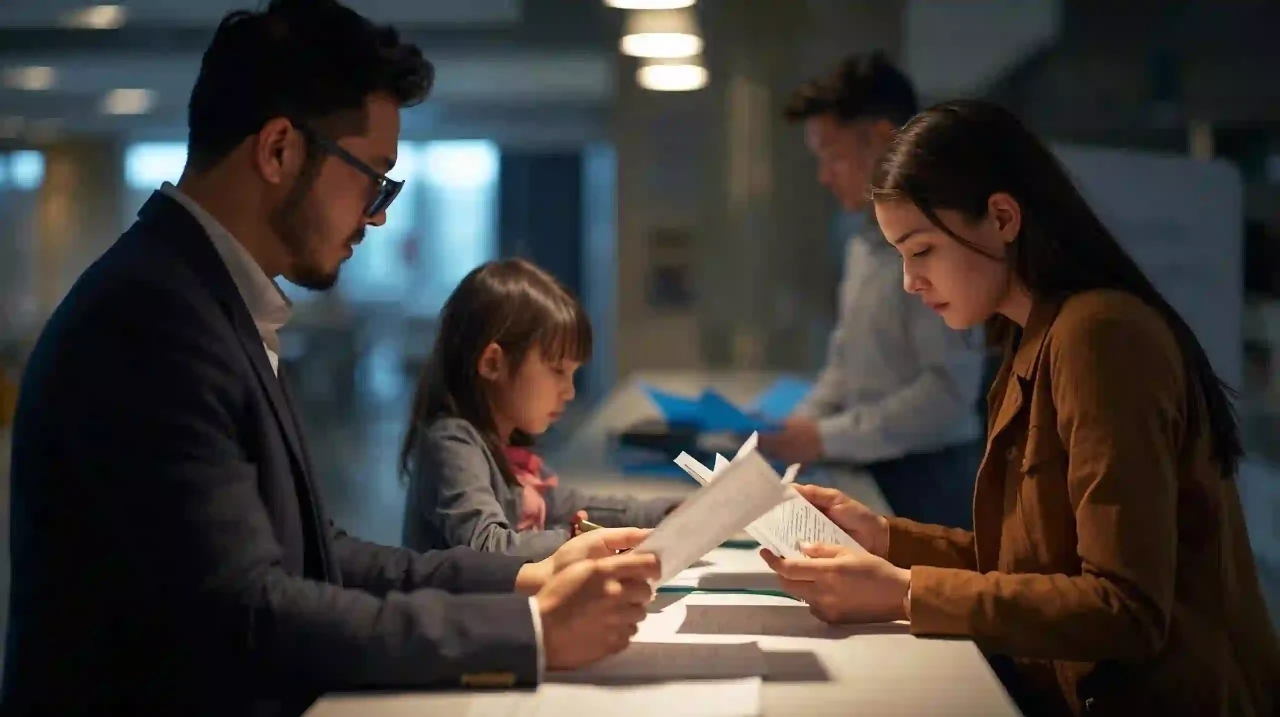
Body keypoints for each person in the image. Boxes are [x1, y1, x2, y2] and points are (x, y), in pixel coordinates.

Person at [1, 2, 659, 714]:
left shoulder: (209, 298)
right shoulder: (152, 319)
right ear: (279, 149)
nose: (378, 215)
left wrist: (522, 579)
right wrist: (528, 631)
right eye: (373, 177)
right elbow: (246, 612)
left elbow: (320, 553)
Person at [760, 100, 1279, 716]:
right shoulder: (1033, 334)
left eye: (921, 250)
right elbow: (1032, 567)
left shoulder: (1100, 335)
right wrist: (885, 538)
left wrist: (904, 592)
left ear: (1002, 217)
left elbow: (1125, 609)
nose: (910, 281)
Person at [766, 51, 985, 529]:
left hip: (933, 478)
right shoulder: (862, 241)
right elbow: (846, 363)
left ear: (884, 140)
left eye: (833, 156)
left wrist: (826, 437)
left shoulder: (942, 239)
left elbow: (947, 393)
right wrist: (799, 428)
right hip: (871, 463)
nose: (824, 176)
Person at [400, 259, 680, 560]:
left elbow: (569, 503)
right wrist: (579, 540)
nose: (569, 392)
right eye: (558, 371)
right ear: (493, 363)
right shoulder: (452, 441)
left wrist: (668, 512)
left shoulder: (508, 450)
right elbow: (487, 546)